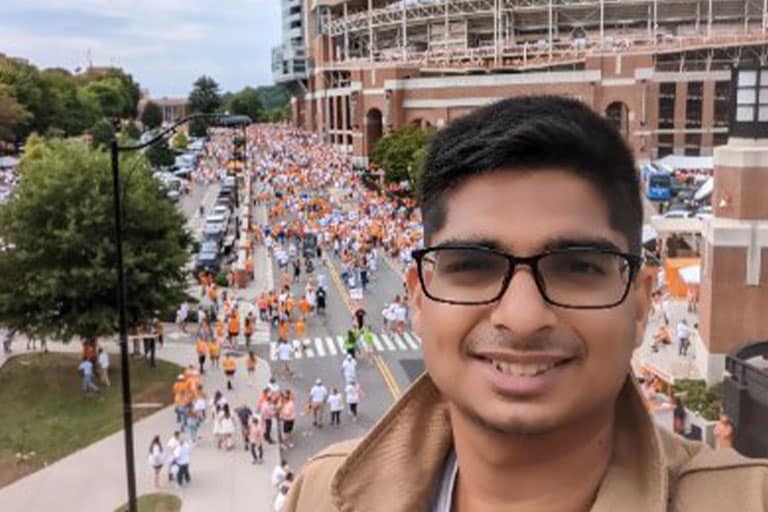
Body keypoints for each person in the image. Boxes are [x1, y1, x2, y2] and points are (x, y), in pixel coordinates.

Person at [283, 96, 768, 511]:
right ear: (418, 296)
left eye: (578, 267)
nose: (521, 318)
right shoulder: (322, 496)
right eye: (472, 265)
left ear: (641, 304)